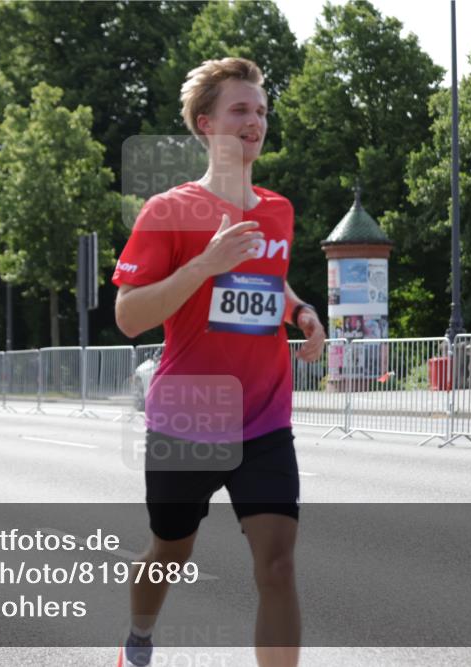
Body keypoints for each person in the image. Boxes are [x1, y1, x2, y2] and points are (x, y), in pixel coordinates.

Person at [112, 58, 326, 667]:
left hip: (264, 420)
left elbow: (268, 281)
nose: (254, 121)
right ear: (206, 124)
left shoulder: (277, 210)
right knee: (170, 551)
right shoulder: (167, 211)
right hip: (189, 418)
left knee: (278, 565)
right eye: (240, 109)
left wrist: (300, 311)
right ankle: (138, 642)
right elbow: (129, 316)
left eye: (261, 110)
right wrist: (203, 264)